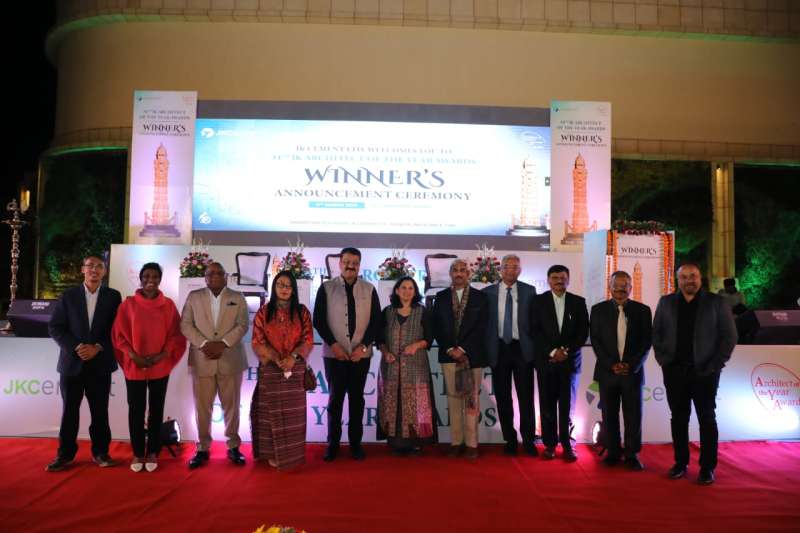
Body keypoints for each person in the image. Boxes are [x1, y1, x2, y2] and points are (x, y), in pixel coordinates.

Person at [653, 263, 737, 485]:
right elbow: (657, 334)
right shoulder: (666, 302)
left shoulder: (716, 302)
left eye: (693, 276)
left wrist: (714, 365)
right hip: (674, 372)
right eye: (684, 277)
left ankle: (707, 468)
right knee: (678, 419)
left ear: (700, 278)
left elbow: (729, 336)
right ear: (677, 280)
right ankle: (680, 463)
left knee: (707, 419)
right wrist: (664, 361)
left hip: (706, 373)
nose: (689, 280)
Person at [46, 255, 122, 472]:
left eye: (99, 266)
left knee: (100, 412)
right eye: (90, 266)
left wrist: (98, 347)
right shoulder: (68, 296)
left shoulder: (113, 296)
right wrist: (77, 347)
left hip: (100, 364)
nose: (94, 270)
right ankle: (65, 455)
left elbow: (118, 329)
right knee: (69, 412)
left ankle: (101, 453)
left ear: (104, 271)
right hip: (72, 365)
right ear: (82, 270)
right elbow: (55, 327)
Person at [112, 262, 186, 472]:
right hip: (135, 364)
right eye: (146, 276)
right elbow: (118, 335)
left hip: (159, 365)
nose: (150, 280)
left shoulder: (168, 305)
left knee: (156, 409)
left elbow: (176, 335)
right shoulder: (128, 304)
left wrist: (162, 355)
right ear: (141, 278)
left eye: (154, 276)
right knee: (135, 410)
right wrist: (133, 355)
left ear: (160, 279)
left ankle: (153, 451)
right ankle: (137, 452)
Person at [313, 247, 382, 462]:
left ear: (359, 265)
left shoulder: (369, 289)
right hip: (334, 355)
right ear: (340, 263)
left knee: (357, 401)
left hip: (360, 356)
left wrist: (363, 348)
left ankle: (355, 444)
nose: (350, 266)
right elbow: (318, 320)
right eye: (347, 262)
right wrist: (334, 345)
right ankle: (332, 444)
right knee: (335, 400)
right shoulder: (326, 288)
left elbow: (376, 322)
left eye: (355, 262)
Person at [180, 262, 249, 469]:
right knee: (202, 408)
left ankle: (233, 446)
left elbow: (243, 325)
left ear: (226, 277)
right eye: (210, 273)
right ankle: (202, 447)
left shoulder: (238, 297)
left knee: (232, 407)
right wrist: (204, 344)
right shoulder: (194, 296)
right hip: (203, 359)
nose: (215, 276)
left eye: (219, 272)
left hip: (230, 359)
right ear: (205, 277)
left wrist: (223, 343)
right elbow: (185, 324)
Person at [250, 271, 314, 470]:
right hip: (271, 368)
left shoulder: (302, 312)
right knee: (271, 415)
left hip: (295, 370)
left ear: (293, 289)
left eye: (288, 285)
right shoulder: (264, 312)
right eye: (280, 284)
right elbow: (257, 340)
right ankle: (271, 454)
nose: (284, 289)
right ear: (274, 287)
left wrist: (293, 358)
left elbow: (308, 339)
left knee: (294, 416)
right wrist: (276, 358)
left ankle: (292, 455)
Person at [590, 271, 652, 471]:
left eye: (624, 285)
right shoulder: (598, 310)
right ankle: (613, 452)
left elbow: (646, 342)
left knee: (633, 416)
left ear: (630, 288)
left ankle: (632, 454)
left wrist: (632, 365)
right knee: (609, 414)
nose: (620, 289)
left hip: (632, 373)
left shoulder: (643, 311)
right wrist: (611, 364)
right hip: (607, 372)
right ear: (610, 287)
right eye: (616, 285)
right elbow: (596, 341)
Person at [432, 259, 488, 460]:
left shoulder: (480, 298)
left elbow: (482, 327)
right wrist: (450, 348)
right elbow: (436, 326)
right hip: (448, 355)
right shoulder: (441, 297)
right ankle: (456, 442)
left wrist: (463, 349)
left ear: (468, 274)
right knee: (453, 400)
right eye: (455, 270)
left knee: (471, 400)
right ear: (450, 273)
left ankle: (472, 444)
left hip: (472, 356)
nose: (459, 273)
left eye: (463, 270)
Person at [482, 254, 538, 456]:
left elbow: (535, 321)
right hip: (498, 349)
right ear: (500, 269)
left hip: (522, 349)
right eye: (506, 266)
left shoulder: (529, 291)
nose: (510, 270)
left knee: (526, 398)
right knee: (503, 397)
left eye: (515, 267)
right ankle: (510, 439)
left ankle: (529, 440)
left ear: (520, 270)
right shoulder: (487, 292)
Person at [532, 264, 588, 462]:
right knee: (547, 406)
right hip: (546, 362)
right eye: (555, 278)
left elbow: (583, 332)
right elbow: (534, 331)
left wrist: (565, 351)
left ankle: (568, 445)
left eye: (563, 278)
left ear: (568, 280)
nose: (559, 281)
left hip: (569, 363)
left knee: (567, 407)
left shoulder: (578, 302)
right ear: (548, 280)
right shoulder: (538, 302)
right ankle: (549, 444)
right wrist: (552, 351)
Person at [376, 276, 438, 456]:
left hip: (416, 366)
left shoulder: (422, 312)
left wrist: (416, 345)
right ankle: (396, 443)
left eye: (411, 288)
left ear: (415, 291)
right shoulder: (387, 312)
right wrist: (385, 352)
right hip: (391, 367)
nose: (407, 291)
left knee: (416, 402)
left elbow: (429, 338)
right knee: (392, 402)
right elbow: (379, 338)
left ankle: (416, 443)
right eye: (403, 287)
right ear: (397, 290)